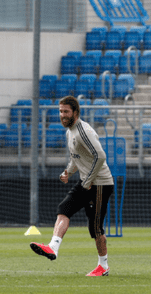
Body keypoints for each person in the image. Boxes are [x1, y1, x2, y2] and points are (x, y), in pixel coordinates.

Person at [30, 96, 115, 276]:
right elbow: (77, 158)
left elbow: (100, 156)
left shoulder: (84, 131)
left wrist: (88, 181)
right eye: (60, 111)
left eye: (66, 112)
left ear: (75, 113)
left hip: (100, 183)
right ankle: (53, 247)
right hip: (86, 181)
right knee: (64, 208)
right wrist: (68, 172)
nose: (62, 115)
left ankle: (103, 266)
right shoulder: (69, 132)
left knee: (95, 227)